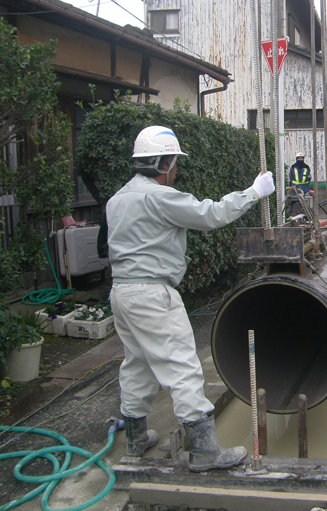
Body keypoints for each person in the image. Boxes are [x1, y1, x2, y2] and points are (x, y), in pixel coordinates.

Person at [106, 126, 275, 471]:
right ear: (163, 163)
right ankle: (206, 451)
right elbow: (210, 215)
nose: (176, 169)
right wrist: (254, 192)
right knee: (182, 366)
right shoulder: (159, 197)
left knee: (137, 363)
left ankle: (136, 439)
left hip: (122, 292)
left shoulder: (117, 199)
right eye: (174, 162)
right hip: (152, 294)